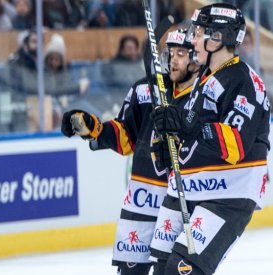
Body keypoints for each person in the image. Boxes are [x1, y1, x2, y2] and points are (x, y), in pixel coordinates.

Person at [60, 28, 200, 275]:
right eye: (171, 53)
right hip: (142, 199)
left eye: (182, 53)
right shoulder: (145, 90)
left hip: (180, 202)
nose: (175, 59)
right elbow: (126, 138)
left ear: (196, 57)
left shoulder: (204, 96)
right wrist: (93, 127)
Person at [150, 3, 269, 274]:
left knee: (182, 270)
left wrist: (186, 126)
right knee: (159, 268)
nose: (192, 38)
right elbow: (193, 133)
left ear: (218, 38)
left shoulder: (242, 81)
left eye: (199, 31)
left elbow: (235, 144)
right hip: (192, 187)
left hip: (227, 195)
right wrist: (171, 142)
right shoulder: (205, 76)